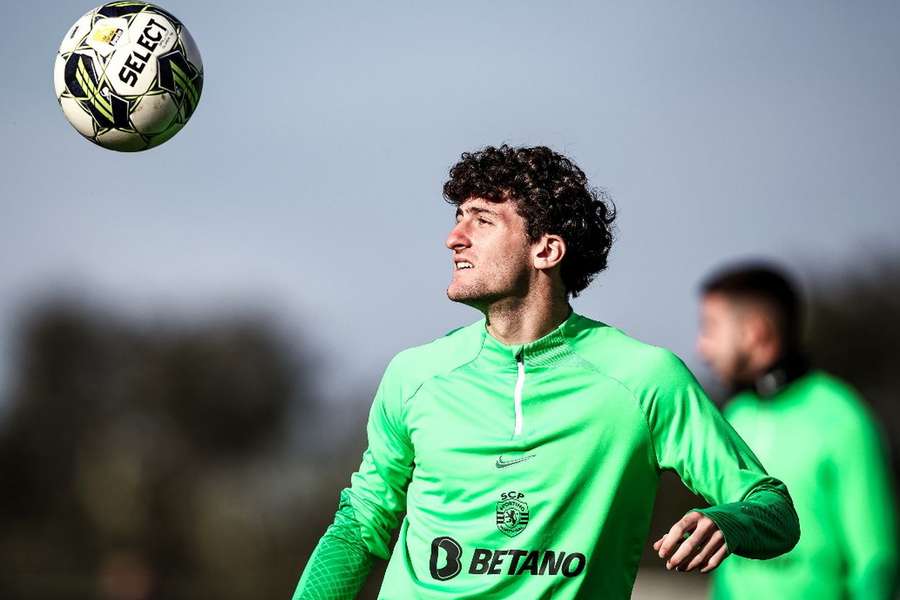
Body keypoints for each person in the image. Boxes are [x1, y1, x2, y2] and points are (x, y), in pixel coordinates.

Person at [293, 146, 799, 599]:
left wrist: (728, 521)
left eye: (482, 221)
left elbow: (773, 508)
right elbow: (360, 525)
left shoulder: (644, 378)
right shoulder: (414, 374)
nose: (453, 238)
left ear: (546, 250)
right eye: (457, 217)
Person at [697, 263, 898, 599]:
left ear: (755, 332)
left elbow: (875, 561)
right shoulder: (735, 415)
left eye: (711, 328)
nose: (702, 347)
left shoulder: (843, 416)